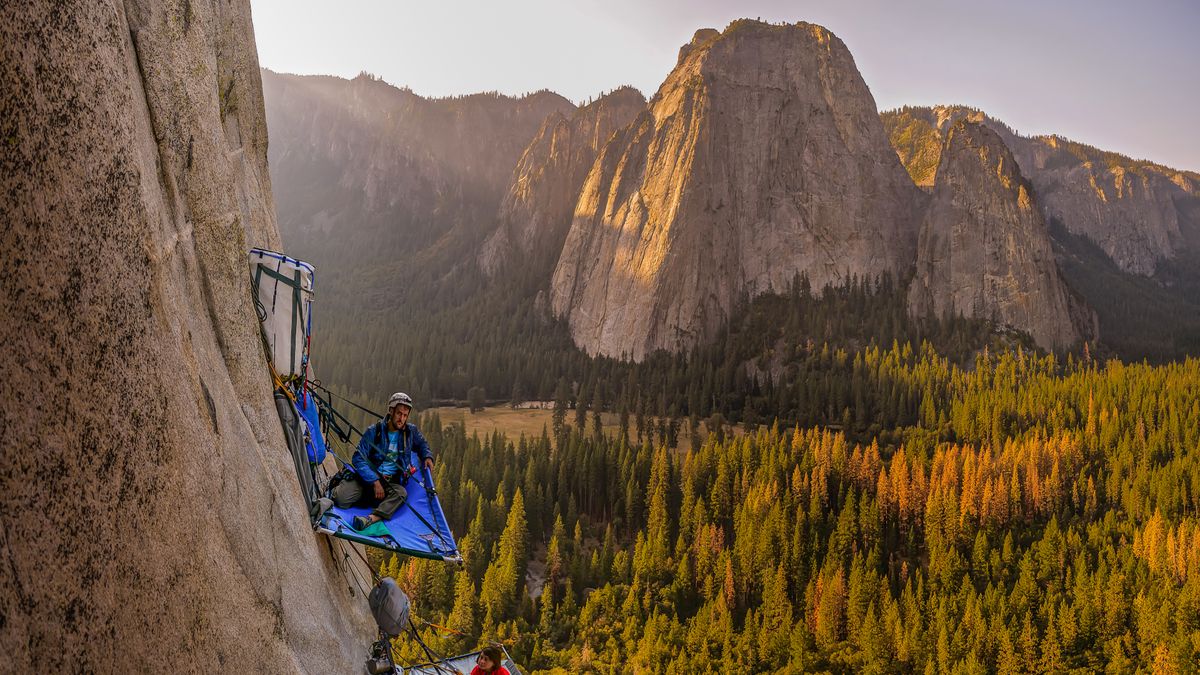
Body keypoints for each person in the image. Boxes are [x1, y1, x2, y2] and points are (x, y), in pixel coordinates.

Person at [332, 391, 434, 531]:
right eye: (399, 414)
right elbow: (358, 458)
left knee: (401, 493)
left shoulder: (410, 432)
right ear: (391, 411)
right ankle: (348, 488)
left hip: (389, 483)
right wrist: (374, 481)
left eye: (405, 415)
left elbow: (422, 444)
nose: (402, 419)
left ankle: (371, 519)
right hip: (367, 480)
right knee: (340, 500)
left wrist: (427, 456)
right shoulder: (374, 431)